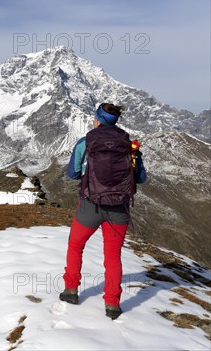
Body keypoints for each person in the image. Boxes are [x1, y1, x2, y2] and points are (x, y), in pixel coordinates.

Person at [60, 103, 147, 320]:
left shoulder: (86, 141)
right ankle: (112, 304)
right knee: (112, 255)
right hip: (119, 208)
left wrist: (89, 176)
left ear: (98, 119)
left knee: (76, 245)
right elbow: (141, 178)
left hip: (90, 205)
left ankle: (71, 291)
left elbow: (72, 173)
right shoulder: (129, 145)